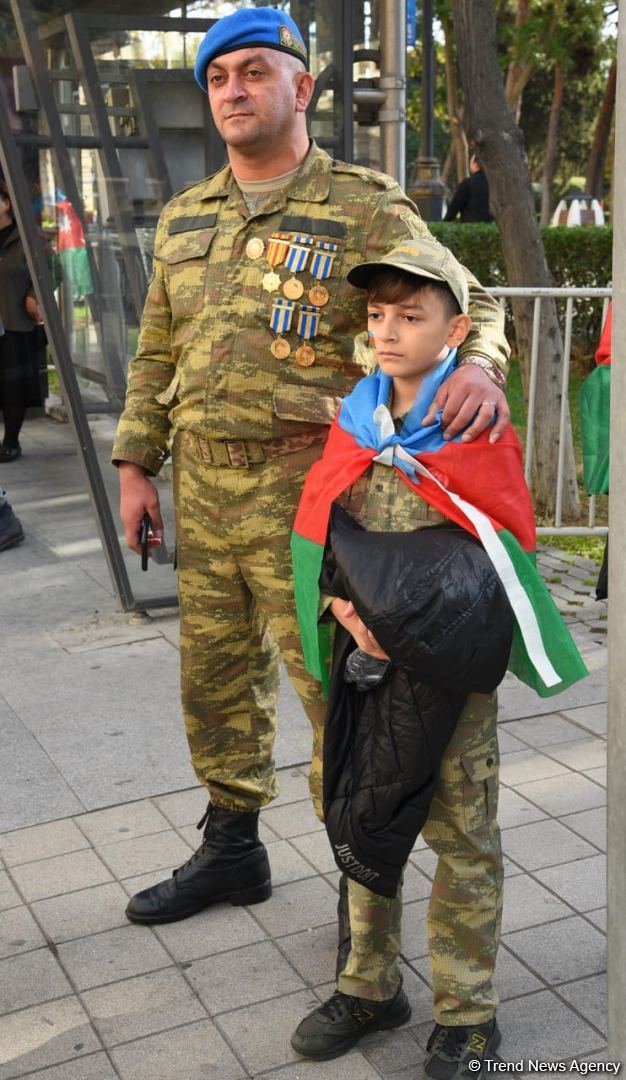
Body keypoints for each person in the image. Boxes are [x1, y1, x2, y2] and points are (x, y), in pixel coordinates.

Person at [111, 6, 512, 928]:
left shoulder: (362, 203)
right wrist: (138, 462)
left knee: (342, 692)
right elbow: (156, 349)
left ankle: (364, 895)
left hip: (316, 495)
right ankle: (231, 847)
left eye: (255, 71)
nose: (234, 90)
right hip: (204, 489)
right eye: (218, 77)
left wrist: (481, 367)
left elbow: (470, 296)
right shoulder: (186, 215)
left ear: (303, 88)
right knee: (213, 678)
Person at [288, 238, 587, 1074]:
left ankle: (467, 1012)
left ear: (455, 329)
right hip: (364, 663)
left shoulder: (474, 424)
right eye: (378, 315)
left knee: (462, 834)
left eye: (410, 316)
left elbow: (496, 555)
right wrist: (343, 609)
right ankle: (368, 983)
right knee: (362, 810)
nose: (386, 330)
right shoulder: (357, 415)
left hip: (449, 674)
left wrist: (411, 628)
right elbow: (324, 532)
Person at [0, 179, 45, 462]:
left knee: (12, 388)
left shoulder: (25, 238)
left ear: (6, 204)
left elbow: (50, 270)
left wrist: (32, 295)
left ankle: (11, 442)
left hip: (14, 323)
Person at [444, 153, 493, 223]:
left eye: (471, 162)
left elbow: (453, 209)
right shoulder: (497, 184)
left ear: (475, 164)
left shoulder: (467, 183)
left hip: (471, 227)